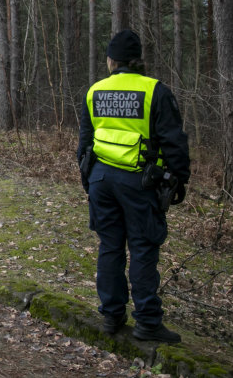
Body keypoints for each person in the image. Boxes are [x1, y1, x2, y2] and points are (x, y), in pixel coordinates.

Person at [77, 29, 190, 343]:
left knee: (110, 247)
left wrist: (89, 179)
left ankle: (111, 317)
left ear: (111, 60)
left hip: (101, 179)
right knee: (142, 249)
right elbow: (174, 142)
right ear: (139, 60)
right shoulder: (156, 91)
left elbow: (84, 143)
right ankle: (147, 323)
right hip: (138, 181)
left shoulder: (94, 91)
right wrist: (179, 180)